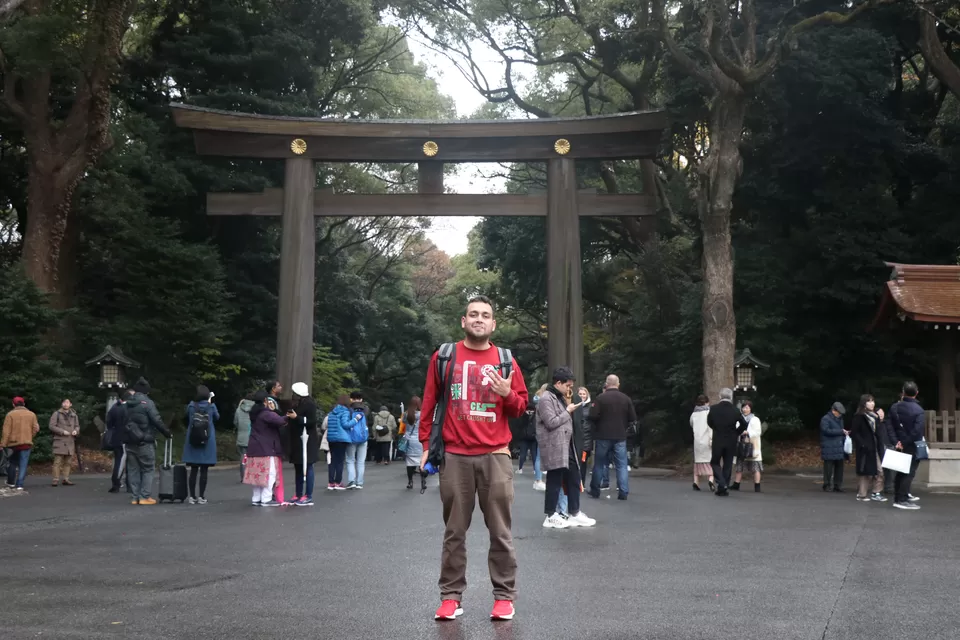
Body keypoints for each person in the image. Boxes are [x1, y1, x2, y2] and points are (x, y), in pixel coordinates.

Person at [418, 295, 528, 621]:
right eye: (473, 314)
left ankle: (504, 597)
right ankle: (450, 597)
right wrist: (426, 443)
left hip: (496, 454)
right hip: (454, 454)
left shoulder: (506, 360)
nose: (479, 319)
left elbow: (521, 407)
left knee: (501, 531)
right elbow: (428, 403)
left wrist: (508, 394)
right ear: (463, 321)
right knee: (454, 532)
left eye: (486, 315)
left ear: (493, 324)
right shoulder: (444, 357)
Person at [537, 367, 596, 529]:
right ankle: (550, 515)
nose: (570, 389)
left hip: (566, 443)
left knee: (574, 476)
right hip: (554, 444)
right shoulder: (546, 399)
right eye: (568, 386)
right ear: (558, 383)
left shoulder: (560, 397)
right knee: (555, 479)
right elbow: (550, 422)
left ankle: (574, 512)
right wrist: (567, 411)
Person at [124, 377, 173, 505]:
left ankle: (135, 497)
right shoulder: (147, 403)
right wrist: (166, 433)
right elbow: (156, 420)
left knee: (133, 469)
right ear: (146, 391)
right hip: (145, 440)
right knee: (148, 468)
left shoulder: (127, 403)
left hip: (129, 441)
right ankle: (144, 496)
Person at [587, 374, 636, 501]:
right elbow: (632, 418)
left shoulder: (600, 398)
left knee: (599, 463)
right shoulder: (626, 399)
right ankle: (623, 492)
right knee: (621, 465)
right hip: (620, 435)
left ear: (606, 384)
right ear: (618, 384)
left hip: (603, 435)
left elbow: (592, 416)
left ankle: (595, 490)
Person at [244, 390, 295, 506]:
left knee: (257, 474)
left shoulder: (254, 413)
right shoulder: (266, 413)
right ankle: (266, 498)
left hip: (254, 448)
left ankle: (256, 498)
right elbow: (280, 421)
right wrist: (287, 416)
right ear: (265, 401)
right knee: (269, 473)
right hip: (266, 448)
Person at [889, 382, 925, 510]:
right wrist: (906, 441)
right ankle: (902, 499)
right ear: (916, 393)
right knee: (909, 472)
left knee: (900, 470)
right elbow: (917, 431)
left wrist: (896, 441)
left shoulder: (895, 407)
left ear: (903, 392)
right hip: (912, 445)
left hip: (899, 444)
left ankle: (897, 497)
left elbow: (890, 426)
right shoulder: (918, 410)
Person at [707, 388, 748, 497]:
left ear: (720, 396)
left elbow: (709, 422)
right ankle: (724, 486)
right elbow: (744, 424)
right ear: (731, 397)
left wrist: (716, 429)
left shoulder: (713, 409)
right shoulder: (735, 410)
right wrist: (736, 433)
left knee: (715, 462)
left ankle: (721, 483)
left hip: (718, 438)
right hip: (731, 439)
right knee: (728, 463)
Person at [183, 385, 220, 504]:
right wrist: (210, 403)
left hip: (193, 439)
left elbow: (186, 418)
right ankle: (201, 496)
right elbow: (217, 417)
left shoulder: (191, 406)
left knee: (193, 469)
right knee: (204, 470)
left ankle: (192, 497)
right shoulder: (211, 407)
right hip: (207, 440)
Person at [851, 394, 887, 503]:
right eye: (869, 401)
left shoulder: (875, 416)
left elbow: (878, 432)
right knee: (865, 472)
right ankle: (862, 494)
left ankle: (876, 492)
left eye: (873, 401)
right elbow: (855, 433)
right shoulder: (859, 416)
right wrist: (862, 444)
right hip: (865, 449)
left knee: (879, 470)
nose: (872, 403)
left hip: (875, 447)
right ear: (864, 403)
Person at [289, 381, 319, 506]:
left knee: (308, 466)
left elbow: (312, 421)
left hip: (307, 439)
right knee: (298, 466)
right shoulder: (298, 403)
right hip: (297, 439)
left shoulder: (310, 404)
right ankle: (298, 493)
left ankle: (308, 495)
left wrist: (297, 418)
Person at [1, 397, 40, 491]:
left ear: (13, 404)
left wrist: (2, 444)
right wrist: (30, 436)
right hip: (26, 443)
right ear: (24, 404)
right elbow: (35, 428)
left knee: (12, 463)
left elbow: (6, 431)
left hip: (13, 443)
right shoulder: (31, 414)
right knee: (23, 463)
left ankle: (11, 482)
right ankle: (20, 484)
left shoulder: (10, 414)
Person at [105, 390, 133, 493]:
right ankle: (128, 484)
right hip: (127, 438)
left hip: (116, 437)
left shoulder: (114, 408)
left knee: (117, 460)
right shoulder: (129, 409)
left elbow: (109, 422)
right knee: (129, 461)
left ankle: (115, 483)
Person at [732, 399, 763, 492]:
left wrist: (747, 432)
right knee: (739, 465)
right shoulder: (738, 419)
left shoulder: (755, 419)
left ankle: (757, 486)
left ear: (750, 409)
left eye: (747, 407)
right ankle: (736, 484)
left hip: (753, 446)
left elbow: (758, 432)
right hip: (741, 445)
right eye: (744, 407)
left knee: (755, 466)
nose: (745, 409)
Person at [49, 398, 80, 487]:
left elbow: (77, 426)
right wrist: (62, 431)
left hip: (70, 440)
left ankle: (66, 479)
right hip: (60, 440)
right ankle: (55, 479)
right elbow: (51, 426)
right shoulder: (56, 414)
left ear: (70, 404)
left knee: (68, 462)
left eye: (67, 402)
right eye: (64, 402)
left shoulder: (74, 415)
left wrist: (76, 431)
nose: (65, 404)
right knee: (57, 461)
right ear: (62, 404)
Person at [820, 402, 848, 493]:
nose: (839, 414)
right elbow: (826, 430)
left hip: (839, 446)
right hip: (829, 446)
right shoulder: (825, 419)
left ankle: (837, 485)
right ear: (833, 410)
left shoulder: (840, 419)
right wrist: (840, 431)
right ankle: (827, 484)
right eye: (838, 412)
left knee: (839, 467)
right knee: (828, 467)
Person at [325, 395, 352, 490]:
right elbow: (345, 424)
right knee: (340, 461)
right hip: (341, 438)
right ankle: (338, 482)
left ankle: (331, 482)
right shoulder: (345, 411)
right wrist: (354, 420)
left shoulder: (332, 412)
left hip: (331, 438)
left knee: (332, 460)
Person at [689, 394, 715, 491]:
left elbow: (691, 424)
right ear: (706, 402)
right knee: (710, 461)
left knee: (698, 462)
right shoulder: (709, 412)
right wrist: (712, 439)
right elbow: (711, 427)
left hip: (697, 441)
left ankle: (696, 481)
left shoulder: (694, 414)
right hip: (707, 440)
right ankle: (711, 480)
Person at [345, 391, 369, 489]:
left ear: (351, 399)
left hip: (351, 437)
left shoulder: (348, 409)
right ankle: (359, 482)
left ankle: (351, 481)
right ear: (361, 399)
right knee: (361, 461)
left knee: (350, 460)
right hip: (363, 437)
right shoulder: (366, 409)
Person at [402, 397, 423, 490]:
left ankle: (410, 481)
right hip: (420, 440)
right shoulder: (422, 414)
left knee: (409, 463)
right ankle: (423, 481)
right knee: (422, 462)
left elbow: (403, 422)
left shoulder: (407, 414)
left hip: (409, 440)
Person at [234, 395, 254, 483]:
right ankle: (252, 475)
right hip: (252, 436)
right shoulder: (255, 409)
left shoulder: (239, 409)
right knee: (254, 457)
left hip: (241, 437)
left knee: (244, 456)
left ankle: (243, 476)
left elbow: (235, 422)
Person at [516, 400, 538, 476]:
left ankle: (520, 468)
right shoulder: (536, 415)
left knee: (522, 454)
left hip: (524, 437)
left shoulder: (523, 415)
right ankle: (535, 469)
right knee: (534, 454)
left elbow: (519, 425)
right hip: (533, 437)